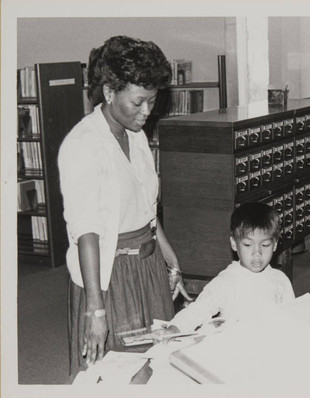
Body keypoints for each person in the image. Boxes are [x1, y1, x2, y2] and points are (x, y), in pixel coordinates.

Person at [58, 35, 191, 375]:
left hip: (147, 268)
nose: (147, 111)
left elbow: (145, 204)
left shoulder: (135, 133)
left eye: (152, 101)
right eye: (138, 102)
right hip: (109, 276)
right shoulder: (83, 145)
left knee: (160, 365)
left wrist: (166, 251)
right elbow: (85, 233)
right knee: (120, 374)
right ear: (108, 92)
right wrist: (96, 310)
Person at [149, 202, 295, 337]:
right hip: (233, 350)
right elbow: (199, 310)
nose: (257, 253)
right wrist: (175, 328)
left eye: (265, 245)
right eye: (247, 245)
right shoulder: (226, 281)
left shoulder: (280, 280)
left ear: (275, 245)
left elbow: (293, 317)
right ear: (233, 243)